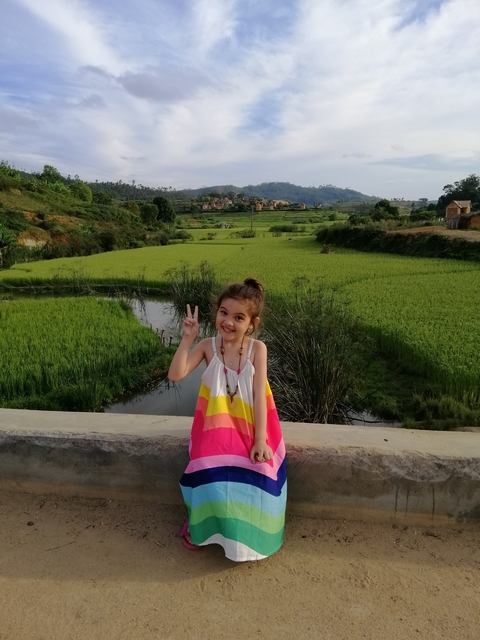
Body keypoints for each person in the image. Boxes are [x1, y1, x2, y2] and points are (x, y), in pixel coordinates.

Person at [168, 278, 286, 562]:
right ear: (216, 312)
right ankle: (209, 528)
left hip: (252, 427)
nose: (229, 322)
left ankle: (250, 537)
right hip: (214, 428)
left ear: (252, 322)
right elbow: (176, 374)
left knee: (260, 470)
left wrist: (260, 440)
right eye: (224, 313)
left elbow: (259, 396)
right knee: (205, 467)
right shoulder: (209, 346)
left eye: (238, 317)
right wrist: (187, 338)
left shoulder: (258, 349)